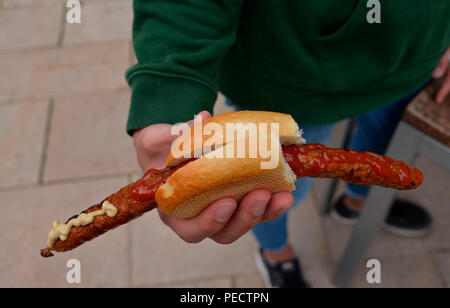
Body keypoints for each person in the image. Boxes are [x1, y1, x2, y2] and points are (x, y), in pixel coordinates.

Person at [127, 0, 450, 288]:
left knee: (380, 147)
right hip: (290, 79)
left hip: (418, 62)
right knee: (271, 195)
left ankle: (356, 204)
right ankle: (276, 255)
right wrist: (169, 99)